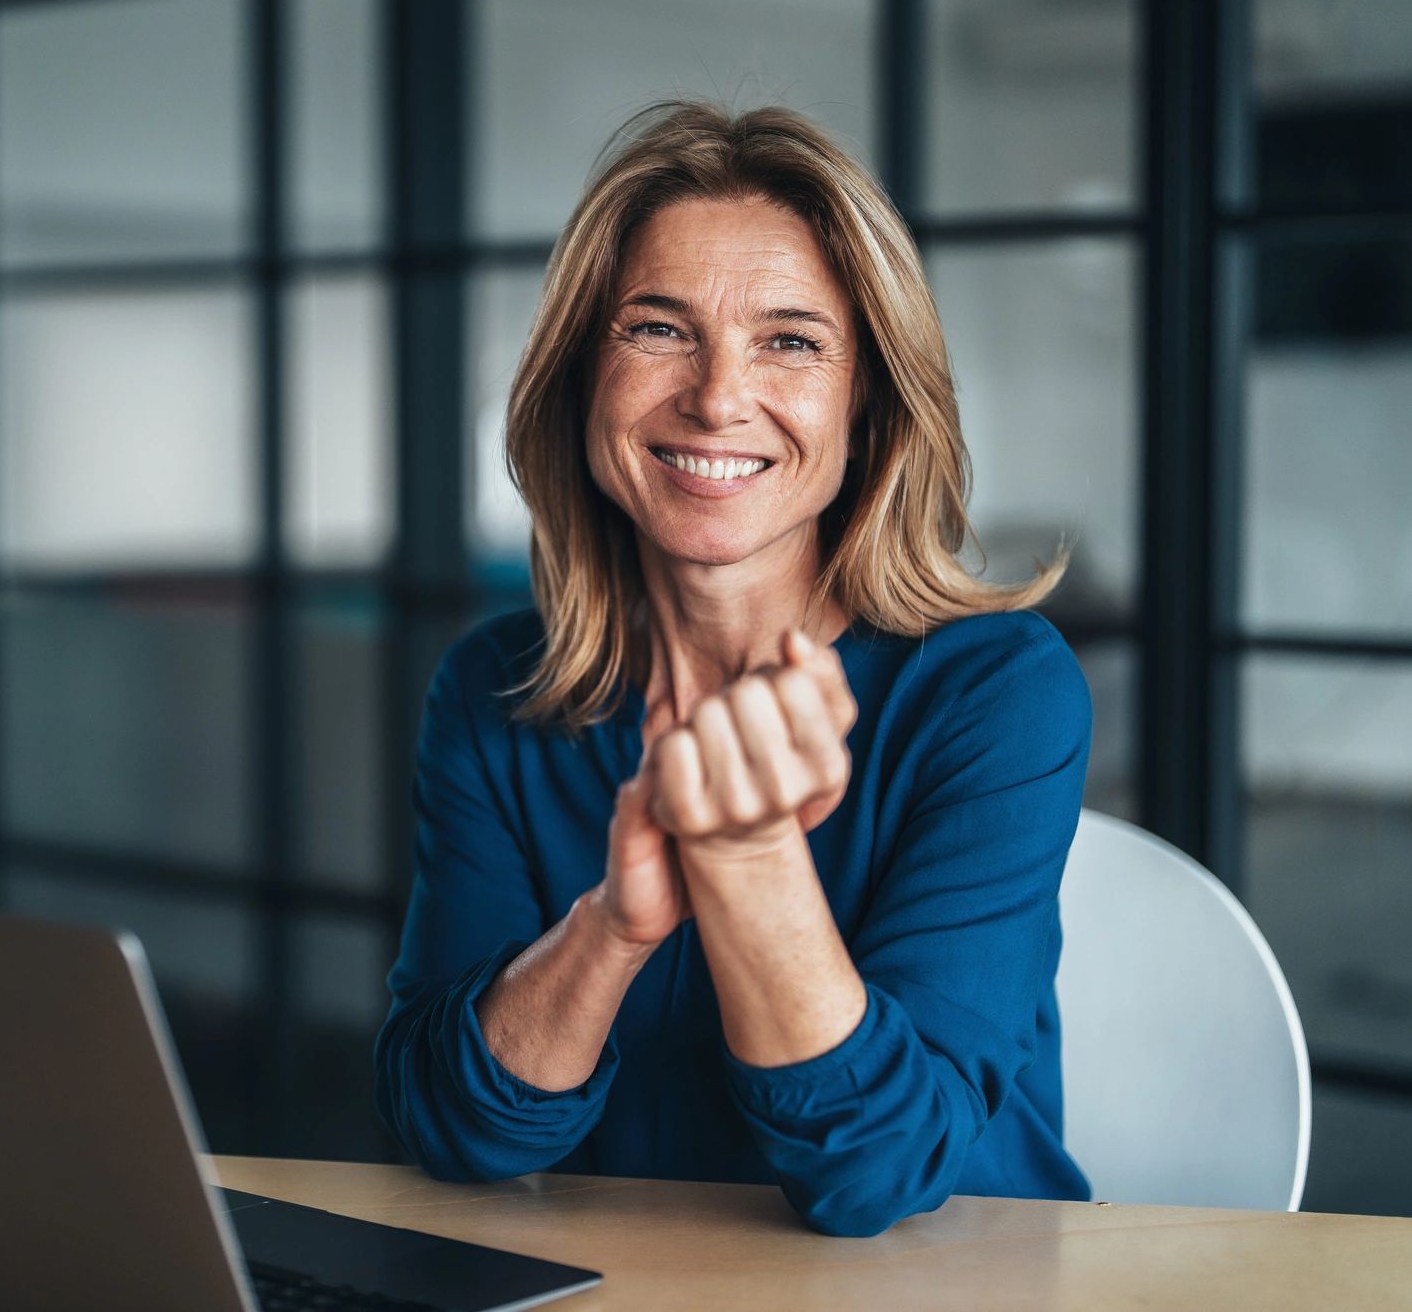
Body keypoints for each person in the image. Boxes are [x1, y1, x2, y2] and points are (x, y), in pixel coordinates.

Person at [371, 99, 1095, 1238]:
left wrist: (748, 854)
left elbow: (880, 1174)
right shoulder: (492, 690)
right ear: (579, 377)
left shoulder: (994, 690)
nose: (715, 396)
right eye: (656, 329)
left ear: (866, 401)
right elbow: (449, 1128)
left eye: (790, 340)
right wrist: (613, 924)